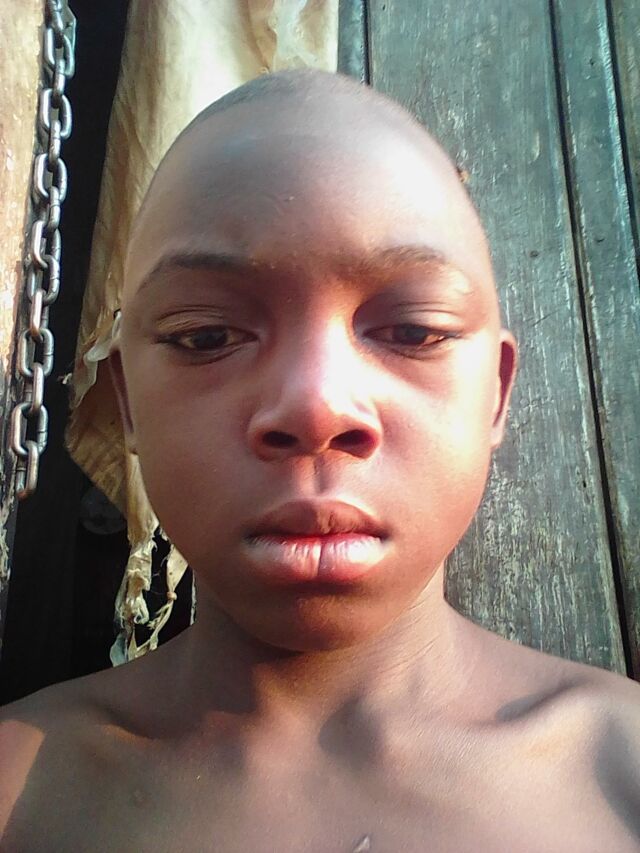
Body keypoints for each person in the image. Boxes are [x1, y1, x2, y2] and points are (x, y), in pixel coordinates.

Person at [1, 69, 639, 852]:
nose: (316, 408)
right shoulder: (19, 790)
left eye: (413, 331)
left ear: (496, 394)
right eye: (207, 336)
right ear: (129, 404)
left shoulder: (623, 767)